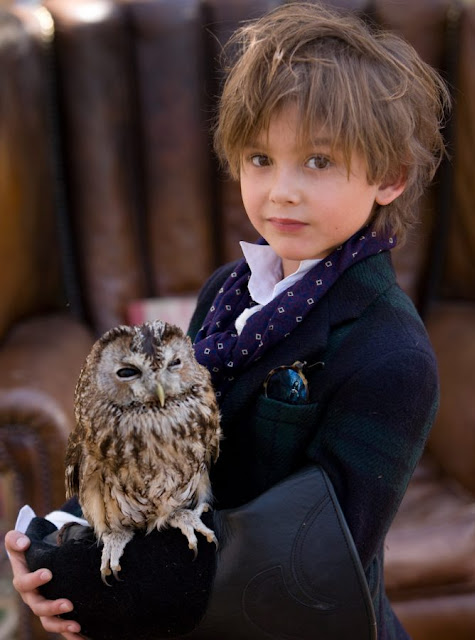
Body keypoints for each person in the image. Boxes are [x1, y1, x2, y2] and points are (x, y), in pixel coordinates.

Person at [5, 2, 450, 638]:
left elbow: (312, 561)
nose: (280, 190)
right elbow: (155, 453)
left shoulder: (391, 356)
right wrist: (63, 537)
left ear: (390, 176)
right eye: (260, 158)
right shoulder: (226, 291)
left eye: (318, 161)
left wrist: (102, 588)